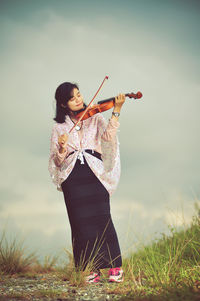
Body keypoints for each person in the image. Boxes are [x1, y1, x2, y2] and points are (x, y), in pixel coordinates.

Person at [48, 82, 125, 283]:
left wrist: (116, 110)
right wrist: (62, 147)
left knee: (103, 217)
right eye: (72, 98)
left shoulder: (96, 117)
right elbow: (57, 161)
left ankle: (115, 267)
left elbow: (108, 138)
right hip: (72, 177)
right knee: (80, 223)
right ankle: (91, 269)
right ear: (63, 104)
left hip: (94, 171)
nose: (79, 100)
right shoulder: (59, 128)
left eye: (79, 95)